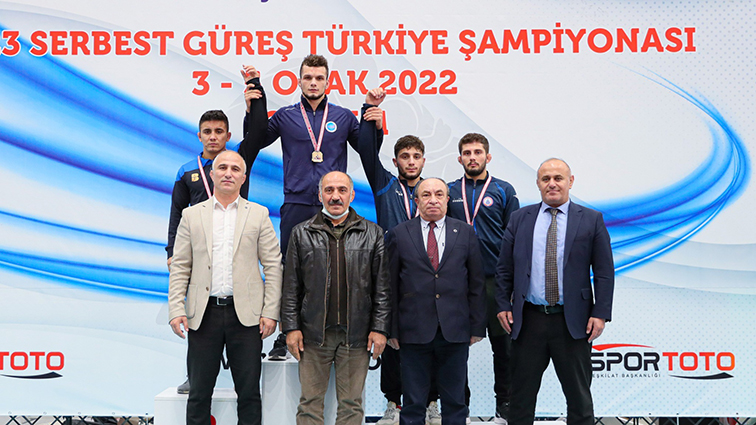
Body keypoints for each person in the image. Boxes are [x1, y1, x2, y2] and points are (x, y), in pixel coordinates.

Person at [166, 72, 266, 393]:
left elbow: (258, 132)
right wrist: (171, 252)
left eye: (219, 131)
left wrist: (254, 93)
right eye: (207, 132)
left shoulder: (238, 161)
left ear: (228, 135)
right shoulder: (186, 171)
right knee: (197, 311)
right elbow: (176, 213)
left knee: (240, 309)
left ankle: (245, 370)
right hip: (198, 249)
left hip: (235, 244)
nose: (213, 137)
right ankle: (194, 374)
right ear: (199, 135)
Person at [495, 158, 615, 425]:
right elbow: (504, 268)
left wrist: (600, 313)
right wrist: (502, 305)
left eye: (558, 178)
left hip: (573, 322)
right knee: (520, 399)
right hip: (529, 320)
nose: (552, 184)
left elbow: (604, 272)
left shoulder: (591, 220)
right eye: (546, 178)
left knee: (579, 400)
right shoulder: (519, 219)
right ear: (538, 183)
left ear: (570, 182)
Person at [168, 150, 283, 425]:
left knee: (249, 394)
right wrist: (176, 309)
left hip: (246, 316)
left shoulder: (258, 214)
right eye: (222, 168)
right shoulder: (191, 215)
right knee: (198, 394)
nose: (228, 173)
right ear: (212, 174)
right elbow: (180, 265)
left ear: (243, 177)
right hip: (203, 314)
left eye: (235, 169)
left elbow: (273, 265)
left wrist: (270, 312)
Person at [356, 90, 442, 425]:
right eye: (404, 156)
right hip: (390, 274)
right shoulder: (384, 184)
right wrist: (369, 109)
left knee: (432, 341)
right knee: (391, 341)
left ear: (423, 160)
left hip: (428, 276)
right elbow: (366, 150)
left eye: (416, 156)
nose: (410, 161)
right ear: (395, 162)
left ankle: (432, 402)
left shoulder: (433, 191)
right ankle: (394, 403)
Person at [242, 55, 383, 257]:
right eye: (308, 78)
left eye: (319, 78)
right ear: (299, 82)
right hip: (295, 204)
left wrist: (376, 128)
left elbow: (368, 150)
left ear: (328, 82)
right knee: (291, 263)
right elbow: (255, 141)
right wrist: (251, 112)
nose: (313, 83)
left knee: (335, 262)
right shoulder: (285, 115)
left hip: (333, 204)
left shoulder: (343, 116)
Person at [280, 171, 391, 425]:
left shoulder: (373, 233)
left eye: (342, 190)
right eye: (329, 190)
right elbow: (291, 287)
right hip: (312, 335)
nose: (335, 196)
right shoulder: (301, 233)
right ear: (320, 195)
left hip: (356, 335)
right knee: (309, 404)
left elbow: (382, 288)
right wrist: (291, 328)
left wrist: (379, 329)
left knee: (351, 406)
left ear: (352, 195)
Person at [387, 178, 486, 425]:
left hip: (455, 330)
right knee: (413, 403)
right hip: (413, 330)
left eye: (439, 194)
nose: (433, 200)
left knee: (455, 402)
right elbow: (390, 286)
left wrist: (477, 327)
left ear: (447, 200)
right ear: (416, 201)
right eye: (426, 195)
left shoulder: (465, 232)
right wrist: (391, 330)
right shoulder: (399, 233)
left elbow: (476, 283)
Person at [447, 133, 519, 424]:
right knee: (455, 348)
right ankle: (458, 408)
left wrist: (512, 284)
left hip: (495, 282)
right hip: (458, 282)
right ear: (459, 158)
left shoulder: (504, 190)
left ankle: (506, 404)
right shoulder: (449, 190)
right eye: (467, 153)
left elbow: (515, 239)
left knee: (504, 347)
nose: (472, 157)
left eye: (477, 152)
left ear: (488, 157)